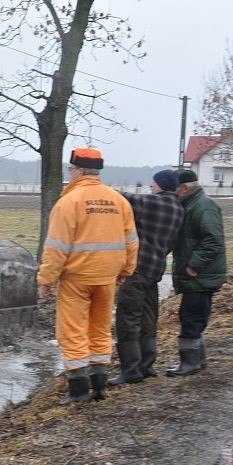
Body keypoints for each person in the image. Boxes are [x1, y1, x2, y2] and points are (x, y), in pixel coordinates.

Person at [37, 148, 138, 404]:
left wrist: (46, 280)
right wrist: (125, 271)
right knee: (100, 329)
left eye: (70, 170)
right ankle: (100, 386)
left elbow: (56, 247)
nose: (69, 174)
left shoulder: (69, 202)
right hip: (107, 277)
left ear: (79, 171)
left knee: (73, 332)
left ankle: (79, 391)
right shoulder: (119, 201)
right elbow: (132, 242)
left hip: (77, 278)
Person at [108, 170, 184, 386]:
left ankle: (130, 370)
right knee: (149, 317)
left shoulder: (153, 204)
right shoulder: (178, 209)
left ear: (161, 184)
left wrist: (95, 189)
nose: (151, 185)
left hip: (137, 268)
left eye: (154, 182)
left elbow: (122, 198)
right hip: (155, 269)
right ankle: (146, 365)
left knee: (128, 317)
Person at [166, 170, 227, 377]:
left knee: (191, 316)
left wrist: (194, 264)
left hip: (200, 276)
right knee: (194, 316)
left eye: (175, 189)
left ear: (184, 188)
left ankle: (190, 363)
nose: (173, 193)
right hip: (200, 276)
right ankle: (197, 361)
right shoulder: (192, 204)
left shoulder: (202, 206)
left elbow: (213, 240)